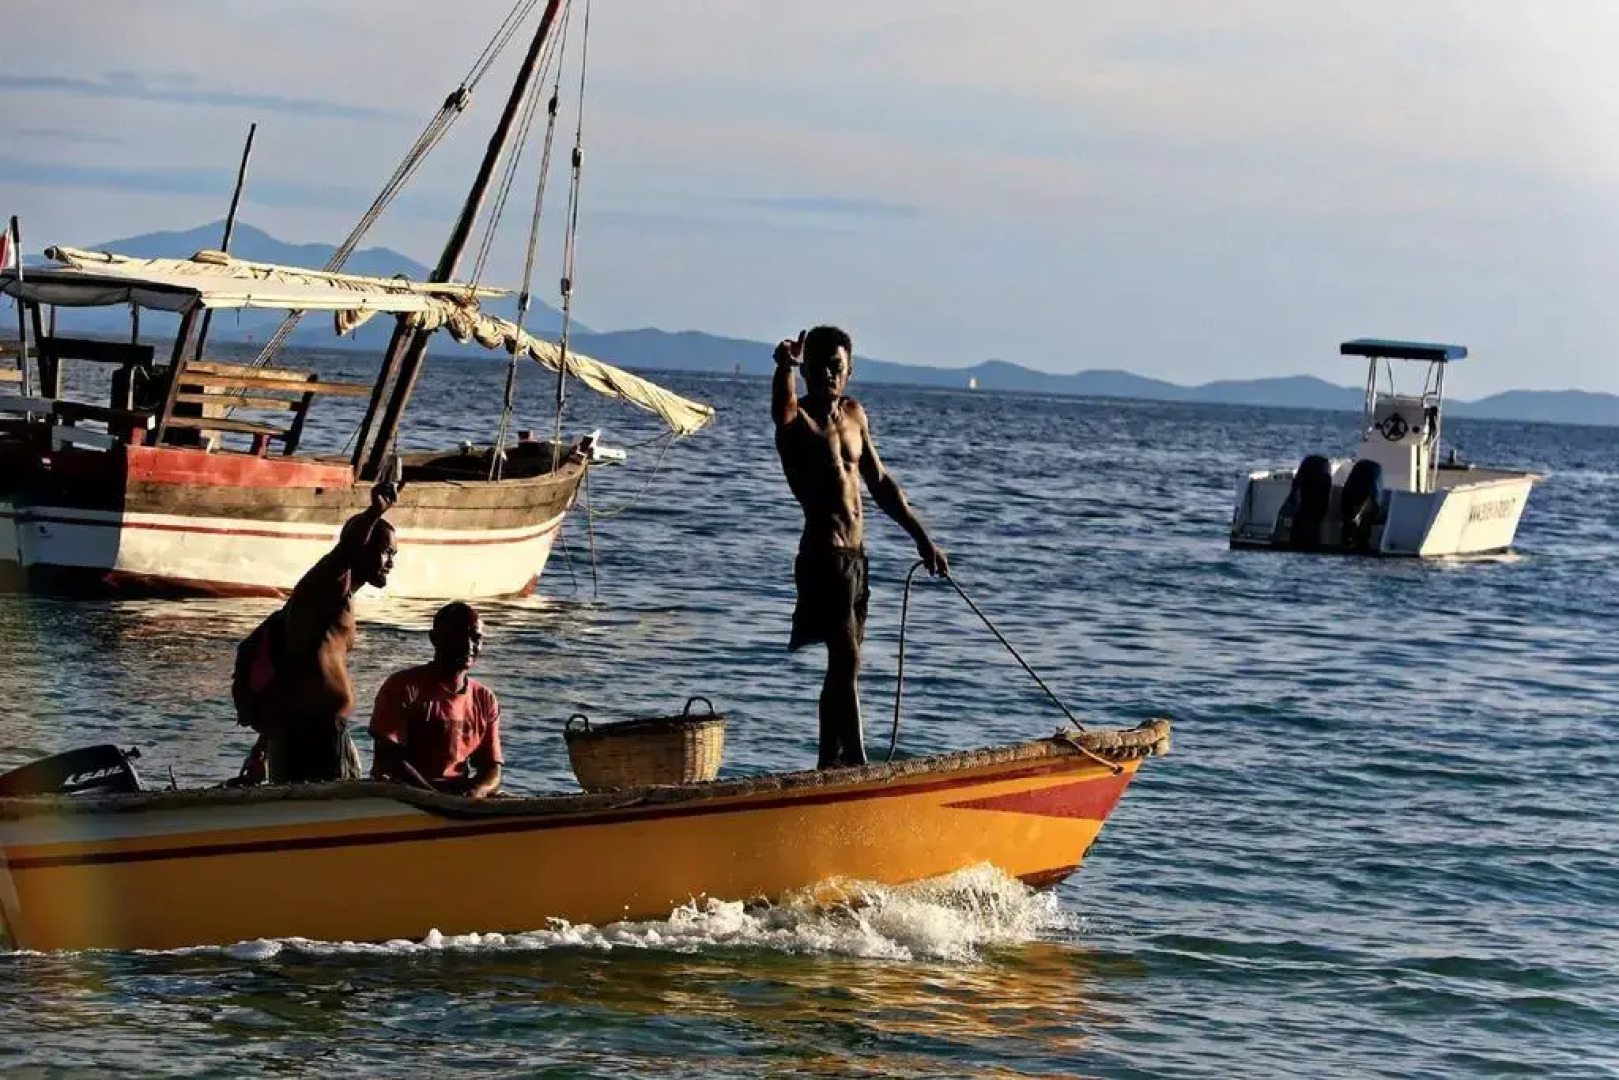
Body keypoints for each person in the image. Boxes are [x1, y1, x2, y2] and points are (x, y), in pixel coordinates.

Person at [772, 325, 949, 769]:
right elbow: (782, 410)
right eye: (819, 367)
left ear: (848, 373)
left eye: (837, 368)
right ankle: (857, 763)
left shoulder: (854, 415)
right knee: (847, 658)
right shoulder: (798, 422)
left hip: (855, 560)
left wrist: (922, 538)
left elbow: (881, 483)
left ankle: (827, 765)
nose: (829, 375)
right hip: (822, 557)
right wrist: (783, 368)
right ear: (807, 368)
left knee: (842, 668)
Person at [233, 482, 399, 783]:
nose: (391, 563)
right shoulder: (326, 583)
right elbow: (346, 549)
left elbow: (292, 672)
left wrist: (261, 750)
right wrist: (373, 513)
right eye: (386, 552)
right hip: (312, 735)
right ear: (363, 547)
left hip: (304, 730)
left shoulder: (336, 601)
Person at [368, 601, 504, 797]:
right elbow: (388, 761)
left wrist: (476, 792)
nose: (468, 645)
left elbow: (492, 769)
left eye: (476, 638)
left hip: (458, 797)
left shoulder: (484, 698)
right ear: (434, 639)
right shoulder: (404, 687)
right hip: (405, 796)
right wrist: (434, 797)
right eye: (458, 635)